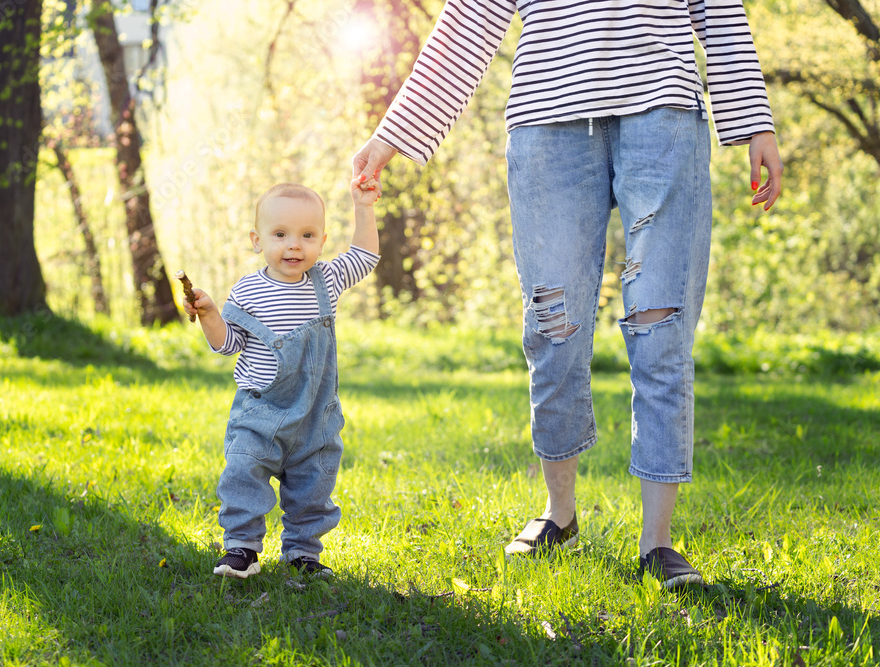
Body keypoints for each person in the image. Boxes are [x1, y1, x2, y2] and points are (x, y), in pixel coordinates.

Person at [353, 0, 783, 588]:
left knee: (661, 324)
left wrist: (757, 122)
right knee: (551, 326)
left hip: (663, 113)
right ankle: (559, 514)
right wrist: (392, 135)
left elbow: (721, 11)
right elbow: (469, 20)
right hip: (547, 123)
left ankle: (658, 542)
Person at [184, 179, 381, 578]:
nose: (294, 245)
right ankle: (241, 548)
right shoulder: (248, 290)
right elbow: (228, 344)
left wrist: (364, 207)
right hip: (261, 411)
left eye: (307, 235)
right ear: (257, 240)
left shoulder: (327, 280)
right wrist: (209, 316)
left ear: (322, 241)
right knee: (243, 473)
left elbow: (365, 255)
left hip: (314, 415)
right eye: (280, 235)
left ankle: (302, 553)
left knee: (313, 486)